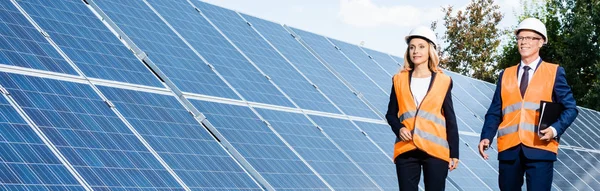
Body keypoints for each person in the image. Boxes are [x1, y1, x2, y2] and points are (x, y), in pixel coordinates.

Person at [478, 18, 578, 191]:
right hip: (509, 151)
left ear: (541, 42)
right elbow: (495, 111)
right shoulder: (505, 74)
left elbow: (571, 108)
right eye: (520, 38)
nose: (523, 42)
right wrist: (486, 135)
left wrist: (554, 129)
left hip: (541, 149)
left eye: (529, 38)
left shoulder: (554, 72)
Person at [386, 26, 459, 191]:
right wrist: (399, 128)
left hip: (436, 150)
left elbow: (450, 119)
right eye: (412, 47)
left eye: (421, 46)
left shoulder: (444, 80)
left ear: (430, 50)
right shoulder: (398, 79)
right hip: (407, 148)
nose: (415, 51)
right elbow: (390, 114)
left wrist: (454, 152)